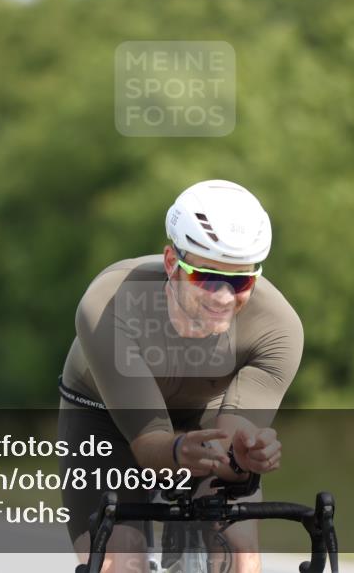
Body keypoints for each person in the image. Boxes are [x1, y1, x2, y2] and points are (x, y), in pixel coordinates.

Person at [58, 179, 304, 573]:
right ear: (172, 262)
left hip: (205, 417)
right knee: (121, 562)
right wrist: (176, 453)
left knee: (240, 556)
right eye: (206, 276)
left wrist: (241, 456)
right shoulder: (108, 303)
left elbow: (229, 444)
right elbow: (149, 444)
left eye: (240, 281)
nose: (223, 296)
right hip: (104, 417)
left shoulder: (278, 328)